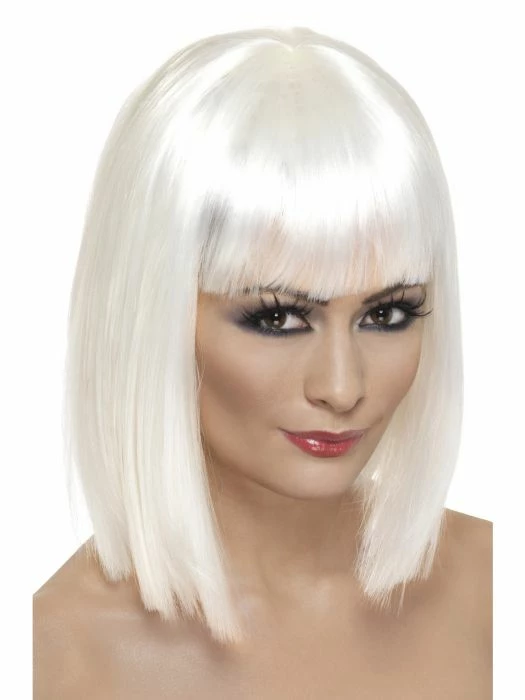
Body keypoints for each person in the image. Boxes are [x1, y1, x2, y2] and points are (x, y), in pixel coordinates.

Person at [33, 25, 492, 698]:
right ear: (153, 319)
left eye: (387, 314)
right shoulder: (54, 660)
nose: (341, 387)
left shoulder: (494, 592)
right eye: (277, 319)